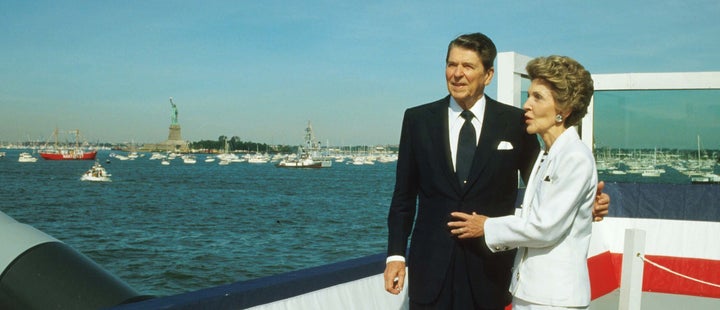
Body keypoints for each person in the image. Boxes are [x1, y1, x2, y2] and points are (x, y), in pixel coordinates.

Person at [383, 33, 609, 310]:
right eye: (451, 64)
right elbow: (403, 196)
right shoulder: (417, 120)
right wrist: (395, 255)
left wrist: (585, 205)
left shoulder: (517, 122)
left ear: (488, 75)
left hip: (490, 273)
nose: (457, 74)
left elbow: (545, 186)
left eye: (468, 66)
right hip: (430, 271)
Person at [448, 55, 597, 309]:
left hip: (554, 298)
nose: (526, 105)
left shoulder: (575, 157)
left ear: (564, 109)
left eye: (537, 97)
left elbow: (545, 227)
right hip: (531, 292)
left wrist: (486, 226)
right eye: (528, 95)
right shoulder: (548, 154)